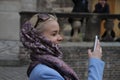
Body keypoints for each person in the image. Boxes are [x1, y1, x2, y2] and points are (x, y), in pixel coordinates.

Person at [20, 13, 105, 80]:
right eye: (54, 34)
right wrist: (95, 62)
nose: (60, 38)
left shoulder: (49, 64)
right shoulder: (45, 73)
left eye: (59, 33)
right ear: (37, 38)